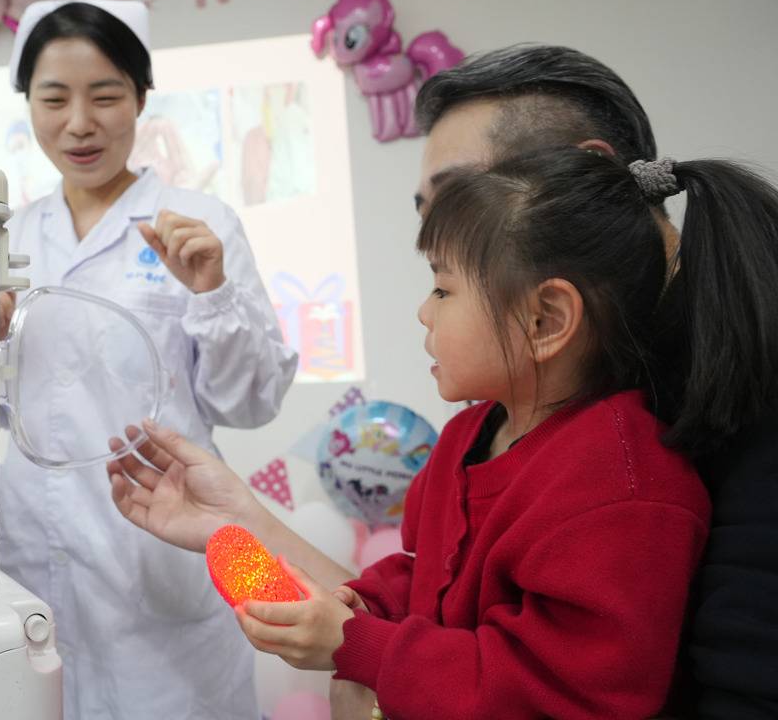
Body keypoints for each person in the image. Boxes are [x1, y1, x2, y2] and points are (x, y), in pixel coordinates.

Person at [107, 45, 778, 718]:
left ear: (546, 317)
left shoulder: (626, 481)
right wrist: (361, 605)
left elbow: (557, 686)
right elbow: (427, 578)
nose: (424, 311)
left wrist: (363, 645)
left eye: (444, 287)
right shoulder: (470, 435)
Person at [0, 0, 298, 720]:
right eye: (54, 99)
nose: (79, 123)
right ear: (28, 104)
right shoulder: (3, 237)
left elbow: (249, 403)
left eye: (105, 96)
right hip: (32, 559)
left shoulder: (200, 224)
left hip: (159, 561)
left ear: (141, 99)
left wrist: (213, 292)